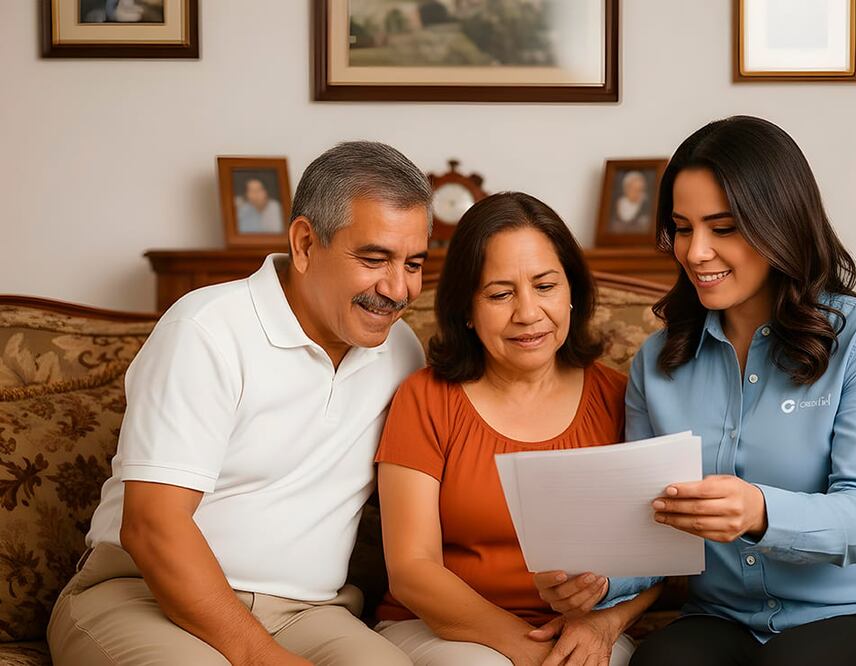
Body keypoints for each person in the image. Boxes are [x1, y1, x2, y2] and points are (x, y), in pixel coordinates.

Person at [536, 117, 856, 666]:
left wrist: (760, 512)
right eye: (682, 228)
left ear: (780, 223)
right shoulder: (657, 363)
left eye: (724, 227)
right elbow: (654, 536)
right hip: (725, 621)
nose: (696, 252)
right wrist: (596, 582)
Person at [47, 141, 433, 666]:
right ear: (303, 243)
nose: (398, 288)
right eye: (373, 259)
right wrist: (259, 656)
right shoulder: (206, 329)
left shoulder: (402, 351)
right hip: (141, 594)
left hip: (309, 613)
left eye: (414, 263)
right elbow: (151, 526)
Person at [374, 192, 661, 666]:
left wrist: (604, 624)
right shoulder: (424, 398)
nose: (527, 313)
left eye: (545, 286)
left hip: (581, 631)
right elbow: (411, 569)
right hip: (436, 629)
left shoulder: (621, 398)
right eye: (500, 294)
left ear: (572, 293)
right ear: (467, 308)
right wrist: (526, 650)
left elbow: (661, 559)